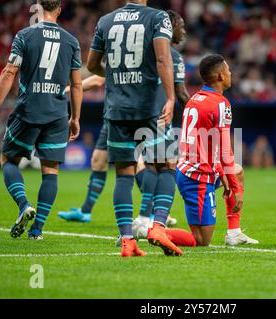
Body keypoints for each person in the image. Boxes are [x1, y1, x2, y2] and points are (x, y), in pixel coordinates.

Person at [57, 10, 189, 230]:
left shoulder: (117, 31)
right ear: (170, 26)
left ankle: (138, 222)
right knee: (147, 165)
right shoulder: (160, 54)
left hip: (120, 113)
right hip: (142, 114)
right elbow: (102, 76)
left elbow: (98, 71)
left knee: (132, 169)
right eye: (181, 25)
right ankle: (144, 217)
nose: (183, 30)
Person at [87, 0, 181, 257]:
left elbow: (92, 64)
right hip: (149, 107)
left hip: (116, 110)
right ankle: (159, 226)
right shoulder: (157, 17)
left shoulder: (105, 21)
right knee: (168, 164)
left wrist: (114, 74)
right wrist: (171, 98)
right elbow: (163, 58)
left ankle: (128, 240)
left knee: (124, 175)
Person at [0, 0, 83, 240]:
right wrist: (75, 117)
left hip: (29, 110)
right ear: (59, 9)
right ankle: (37, 230)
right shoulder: (71, 41)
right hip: (57, 114)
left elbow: (10, 71)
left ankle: (23, 204)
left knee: (8, 159)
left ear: (38, 10)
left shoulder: (24, 35)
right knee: (51, 171)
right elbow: (78, 84)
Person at [172, 54, 258, 246]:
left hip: (192, 170)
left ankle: (234, 233)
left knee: (237, 171)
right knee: (201, 241)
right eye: (228, 70)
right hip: (197, 179)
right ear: (220, 76)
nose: (230, 73)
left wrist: (223, 174)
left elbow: (208, 147)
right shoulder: (220, 104)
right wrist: (236, 191)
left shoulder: (196, 98)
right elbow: (226, 150)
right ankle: (156, 231)